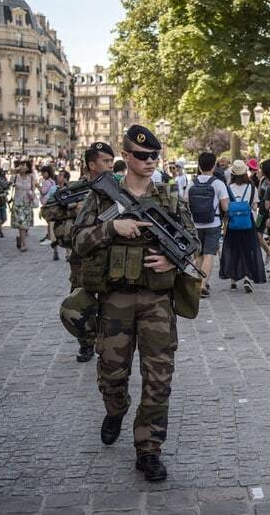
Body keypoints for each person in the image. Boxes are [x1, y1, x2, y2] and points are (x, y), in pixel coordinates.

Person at [73, 124, 186, 481]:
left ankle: (149, 450)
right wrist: (112, 229)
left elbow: (191, 242)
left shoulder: (168, 198)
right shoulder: (102, 198)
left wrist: (172, 260)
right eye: (142, 155)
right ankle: (116, 408)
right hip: (115, 301)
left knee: (159, 378)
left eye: (155, 155)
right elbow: (77, 241)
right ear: (126, 156)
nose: (150, 161)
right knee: (112, 373)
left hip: (156, 302)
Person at [55, 142, 115, 363]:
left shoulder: (116, 189)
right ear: (92, 164)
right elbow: (49, 209)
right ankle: (86, 343)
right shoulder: (76, 188)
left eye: (111, 161)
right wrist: (73, 209)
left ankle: (106, 342)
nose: (110, 165)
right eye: (105, 161)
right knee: (81, 299)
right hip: (80, 258)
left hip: (106, 256)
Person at [219, 160, 266, 292]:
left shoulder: (228, 188)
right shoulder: (252, 188)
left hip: (233, 225)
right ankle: (247, 278)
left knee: (233, 251)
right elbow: (255, 206)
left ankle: (233, 281)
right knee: (248, 250)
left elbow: (226, 208)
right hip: (248, 224)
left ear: (233, 173)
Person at [188, 151, 229, 298]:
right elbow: (225, 207)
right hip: (213, 223)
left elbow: (185, 203)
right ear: (214, 166)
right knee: (209, 255)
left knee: (198, 254)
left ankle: (199, 281)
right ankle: (203, 285)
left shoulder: (192, 182)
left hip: (195, 224)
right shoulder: (218, 183)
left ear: (199, 166)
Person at [10, 160, 37, 253]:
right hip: (18, 203)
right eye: (22, 165)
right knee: (22, 225)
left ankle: (20, 238)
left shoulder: (31, 177)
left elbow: (33, 188)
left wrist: (32, 194)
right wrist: (16, 169)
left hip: (27, 203)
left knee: (25, 226)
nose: (23, 167)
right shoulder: (15, 177)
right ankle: (24, 245)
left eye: (25, 166)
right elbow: (10, 175)